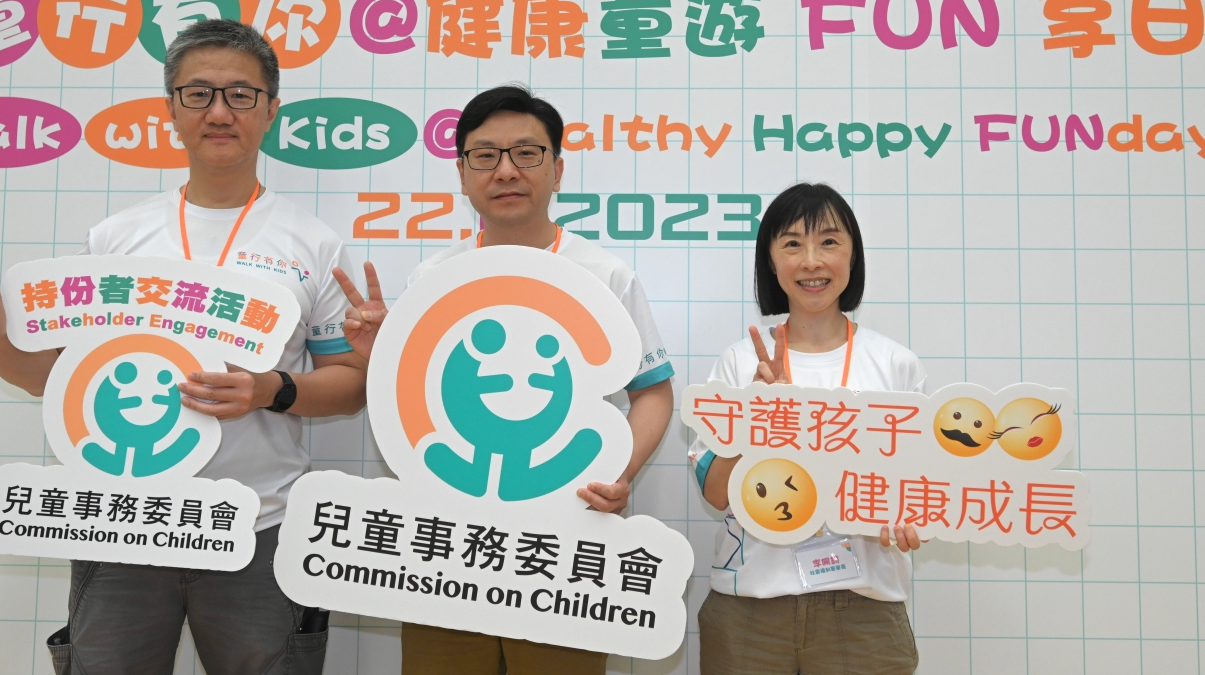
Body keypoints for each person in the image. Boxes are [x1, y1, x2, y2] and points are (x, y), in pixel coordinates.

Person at [0, 19, 366, 675]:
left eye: (241, 94)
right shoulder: (116, 240)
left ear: (271, 110)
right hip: (124, 523)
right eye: (198, 93)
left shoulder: (314, 244)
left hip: (257, 528)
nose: (219, 112)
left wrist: (270, 390)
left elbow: (350, 382)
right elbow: (59, 381)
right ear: (171, 110)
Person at [331, 84, 675, 675]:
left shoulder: (604, 275)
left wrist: (618, 474)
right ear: (462, 174)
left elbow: (653, 391)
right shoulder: (435, 276)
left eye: (527, 153)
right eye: (486, 155)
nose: (507, 170)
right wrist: (381, 356)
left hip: (564, 542)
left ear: (557, 170)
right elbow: (413, 401)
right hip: (447, 542)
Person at [688, 182, 924, 675]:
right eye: (792, 243)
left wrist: (914, 521)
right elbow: (715, 492)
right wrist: (755, 414)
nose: (811, 261)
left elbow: (923, 490)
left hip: (864, 611)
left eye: (829, 242)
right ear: (771, 262)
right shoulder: (739, 363)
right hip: (750, 610)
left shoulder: (895, 365)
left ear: (853, 255)